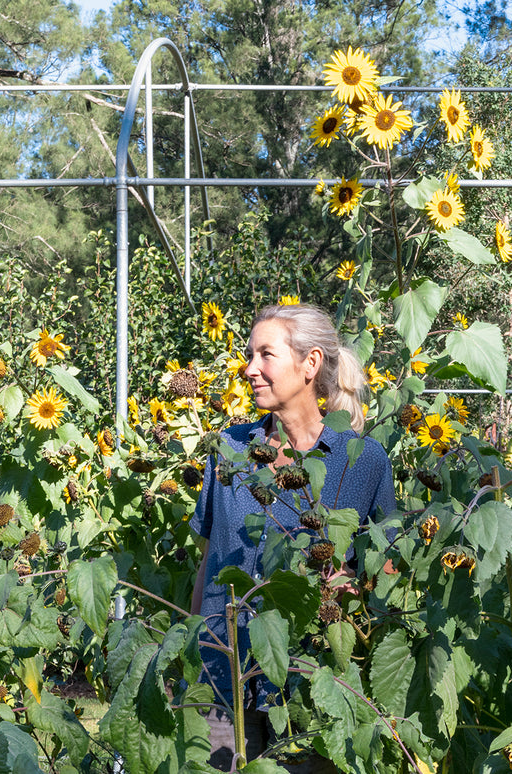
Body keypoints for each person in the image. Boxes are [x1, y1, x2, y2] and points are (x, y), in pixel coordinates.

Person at [189, 303, 395, 772]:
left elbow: (382, 572)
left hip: (305, 683)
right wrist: (191, 650)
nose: (249, 368)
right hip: (221, 677)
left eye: (266, 355)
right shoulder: (230, 449)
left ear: (310, 364)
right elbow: (209, 562)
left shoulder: (362, 461)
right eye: (249, 354)